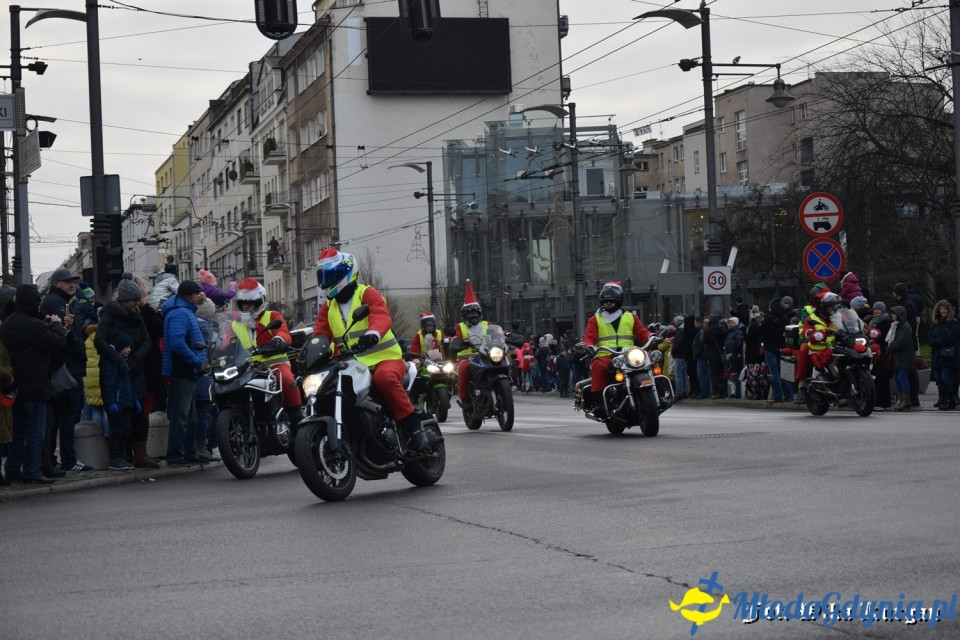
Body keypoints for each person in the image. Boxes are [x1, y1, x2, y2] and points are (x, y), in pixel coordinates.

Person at [313, 248, 433, 453]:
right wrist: (309, 352)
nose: (327, 281)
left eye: (330, 275)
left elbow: (380, 315)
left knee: (384, 379)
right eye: (323, 276)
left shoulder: (366, 293)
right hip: (353, 365)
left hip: (385, 358)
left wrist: (373, 333)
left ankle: (414, 429)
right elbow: (320, 334)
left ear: (346, 273)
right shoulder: (328, 306)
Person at [0, 285, 67, 484]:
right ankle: (32, 470)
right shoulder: (35, 325)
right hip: (35, 386)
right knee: (36, 432)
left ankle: (12, 469)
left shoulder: (9, 323)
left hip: (14, 386)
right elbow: (57, 343)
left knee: (18, 432)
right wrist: (56, 325)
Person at [223, 278, 302, 442]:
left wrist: (278, 340)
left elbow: (283, 332)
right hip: (248, 368)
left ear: (260, 302)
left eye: (251, 303)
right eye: (243, 303)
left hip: (274, 364)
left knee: (287, 379)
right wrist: (214, 350)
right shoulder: (236, 323)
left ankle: (296, 417)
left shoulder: (272, 315)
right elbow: (225, 343)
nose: (246, 307)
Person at [95, 277, 159, 468]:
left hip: (135, 368)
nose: (137, 304)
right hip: (116, 369)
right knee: (120, 421)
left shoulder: (137, 313)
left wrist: (134, 359)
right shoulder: (110, 314)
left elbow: (147, 340)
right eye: (133, 301)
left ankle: (139, 454)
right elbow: (100, 341)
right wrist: (117, 359)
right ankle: (119, 455)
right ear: (124, 300)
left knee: (138, 416)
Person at [40, 266, 89, 475]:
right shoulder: (56, 303)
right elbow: (60, 338)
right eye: (67, 281)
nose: (72, 284)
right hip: (66, 367)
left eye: (73, 281)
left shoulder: (61, 302)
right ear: (56, 284)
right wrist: (70, 332)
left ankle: (52, 459)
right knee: (68, 415)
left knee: (59, 416)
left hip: (65, 365)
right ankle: (67, 459)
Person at [579, 282, 653, 418]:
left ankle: (658, 391)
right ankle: (600, 404)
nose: (608, 303)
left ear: (618, 300)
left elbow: (642, 332)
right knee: (597, 366)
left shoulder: (631, 317)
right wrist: (588, 345)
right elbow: (589, 336)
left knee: (650, 360)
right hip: (605, 355)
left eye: (611, 301)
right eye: (605, 301)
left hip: (628, 354)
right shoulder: (595, 319)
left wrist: (651, 336)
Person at [161, 279, 207, 465]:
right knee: (181, 416)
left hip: (187, 370)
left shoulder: (183, 311)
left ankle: (189, 453)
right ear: (191, 296)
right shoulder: (180, 313)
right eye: (197, 294)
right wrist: (196, 360)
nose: (199, 297)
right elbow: (177, 342)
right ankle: (175, 455)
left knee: (190, 417)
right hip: (182, 370)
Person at [99, 331, 138, 469]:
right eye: (127, 346)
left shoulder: (123, 363)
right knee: (117, 430)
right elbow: (107, 385)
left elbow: (129, 385)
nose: (129, 349)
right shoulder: (110, 363)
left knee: (126, 430)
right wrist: (110, 402)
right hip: (116, 403)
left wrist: (135, 400)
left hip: (125, 402)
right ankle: (114, 458)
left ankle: (121, 457)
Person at [892, 282, 922, 407]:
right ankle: (908, 398)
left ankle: (910, 398)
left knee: (907, 373)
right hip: (907, 342)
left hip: (907, 344)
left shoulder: (907, 306)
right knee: (906, 373)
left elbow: (910, 326)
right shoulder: (906, 303)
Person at [928, 299, 960, 411]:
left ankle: (950, 398)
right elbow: (930, 337)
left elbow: (950, 338)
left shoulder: (954, 323)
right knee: (938, 377)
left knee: (945, 376)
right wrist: (936, 342)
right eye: (941, 309)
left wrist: (937, 342)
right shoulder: (937, 323)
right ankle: (945, 397)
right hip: (937, 355)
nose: (943, 311)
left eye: (945, 309)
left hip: (947, 355)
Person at [886, 305, 917, 411]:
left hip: (904, 357)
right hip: (898, 356)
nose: (892, 315)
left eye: (894, 314)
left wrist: (890, 348)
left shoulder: (905, 327)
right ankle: (902, 398)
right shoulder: (896, 326)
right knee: (898, 378)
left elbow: (900, 342)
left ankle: (906, 399)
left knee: (902, 377)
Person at [760, 298, 791, 403]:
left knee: (774, 372)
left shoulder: (769, 319)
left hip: (770, 348)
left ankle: (777, 395)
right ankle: (788, 394)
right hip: (782, 347)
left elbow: (761, 330)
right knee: (783, 372)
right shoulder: (785, 319)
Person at [723, 317, 744, 399]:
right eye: (729, 323)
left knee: (734, 374)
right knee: (731, 374)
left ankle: (736, 393)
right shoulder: (730, 333)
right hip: (729, 355)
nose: (730, 324)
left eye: (732, 323)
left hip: (734, 356)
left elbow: (739, 344)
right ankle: (734, 392)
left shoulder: (738, 332)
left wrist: (732, 347)